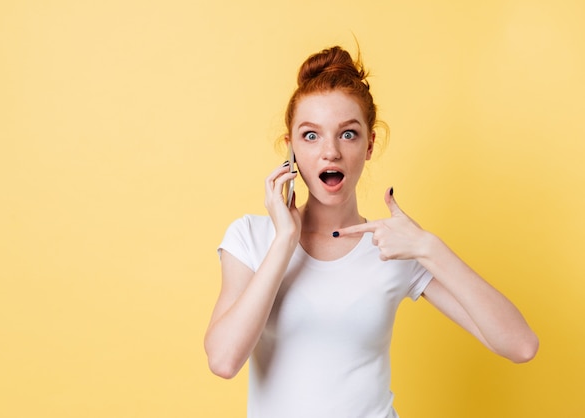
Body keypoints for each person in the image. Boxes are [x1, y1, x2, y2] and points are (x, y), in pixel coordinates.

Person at [204, 46, 538, 418]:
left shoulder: (395, 246)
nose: (330, 152)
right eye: (311, 136)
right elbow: (223, 360)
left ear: (369, 145)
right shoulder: (250, 237)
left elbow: (520, 346)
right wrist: (284, 241)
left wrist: (428, 247)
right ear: (291, 149)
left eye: (347, 134)